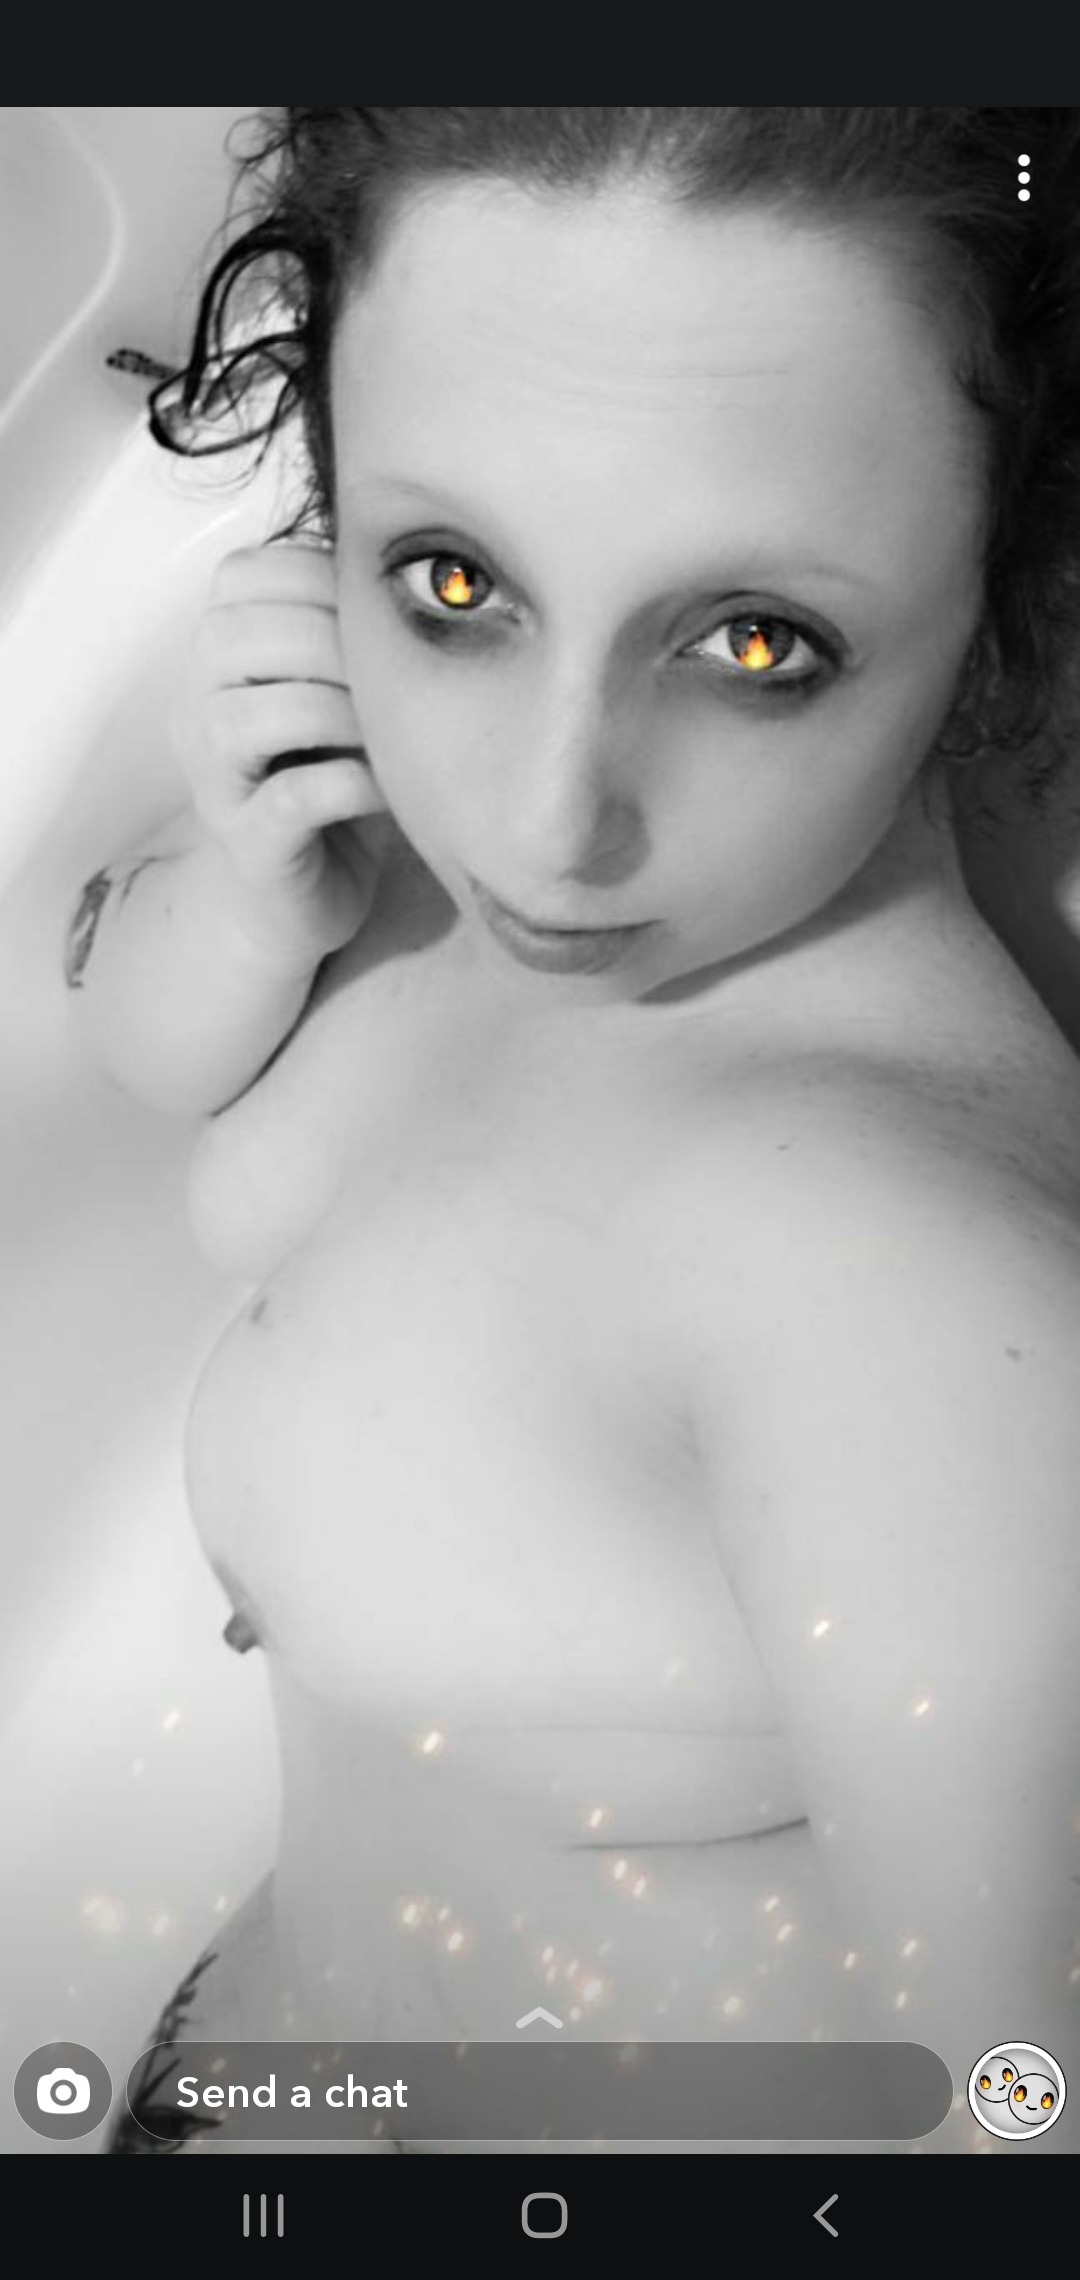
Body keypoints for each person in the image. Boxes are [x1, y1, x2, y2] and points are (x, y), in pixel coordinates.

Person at [70, 108, 1080, 2158]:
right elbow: (155, 1058)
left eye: (754, 644)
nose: (542, 828)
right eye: (455, 580)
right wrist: (249, 893)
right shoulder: (402, 846)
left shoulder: (892, 1286)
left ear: (1005, 605)